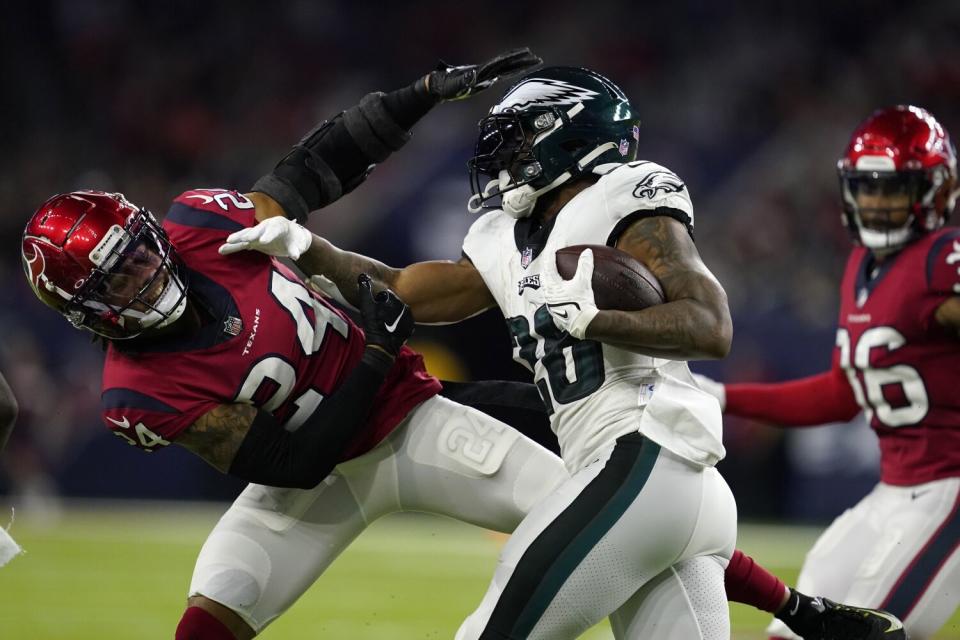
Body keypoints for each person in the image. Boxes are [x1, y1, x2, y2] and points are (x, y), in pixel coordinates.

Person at [228, 66, 910, 639]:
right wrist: (306, 248)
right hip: (666, 489)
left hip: (640, 456)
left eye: (519, 138)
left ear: (570, 138)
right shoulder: (505, 235)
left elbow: (711, 324)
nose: (503, 154)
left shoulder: (626, 200)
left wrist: (604, 318)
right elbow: (410, 292)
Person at [20, 50, 578, 640]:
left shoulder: (204, 225)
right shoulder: (138, 393)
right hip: (313, 482)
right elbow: (296, 465)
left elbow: (311, 169)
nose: (146, 274)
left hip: (411, 421)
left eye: (138, 252)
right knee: (204, 628)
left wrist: (418, 93)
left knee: (596, 530)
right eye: (119, 278)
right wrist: (377, 352)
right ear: (87, 311)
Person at [692, 105, 960, 640]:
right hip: (895, 489)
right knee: (799, 623)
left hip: (949, 490)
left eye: (893, 189)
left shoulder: (943, 257)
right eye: (867, 188)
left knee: (868, 633)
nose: (877, 203)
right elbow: (841, 395)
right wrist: (726, 397)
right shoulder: (863, 265)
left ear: (934, 190)